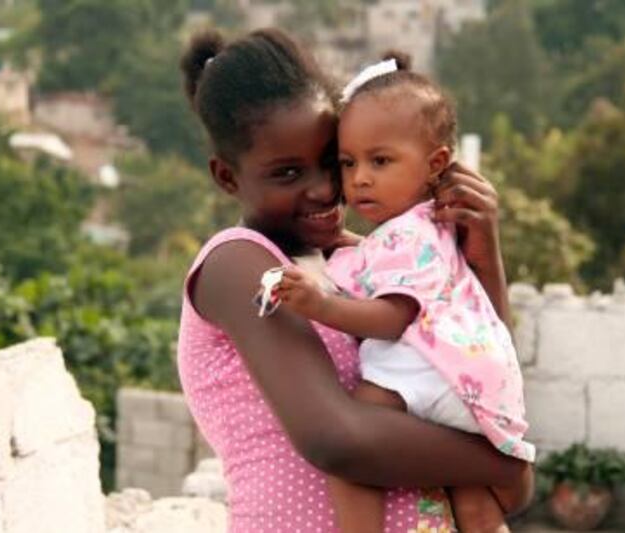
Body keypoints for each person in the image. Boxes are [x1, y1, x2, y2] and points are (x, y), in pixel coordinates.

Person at [177, 27, 533, 533]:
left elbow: (476, 375)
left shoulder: (367, 262)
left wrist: (482, 252)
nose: (325, 189)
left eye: (333, 163)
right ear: (227, 178)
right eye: (287, 173)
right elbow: (336, 440)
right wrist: (504, 461)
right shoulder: (239, 267)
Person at [275, 51, 535, 533]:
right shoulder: (426, 231)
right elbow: (376, 263)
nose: (360, 179)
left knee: (352, 450)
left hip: (429, 372)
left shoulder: (407, 235)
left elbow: (393, 316)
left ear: (436, 163)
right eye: (347, 163)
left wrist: (319, 304)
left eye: (381, 160)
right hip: (471, 382)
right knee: (473, 501)